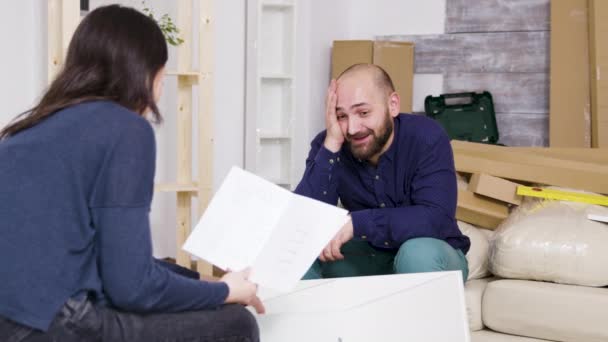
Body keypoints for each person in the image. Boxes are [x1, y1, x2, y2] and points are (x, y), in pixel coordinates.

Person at [0, 5, 262, 342]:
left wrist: (208, 283)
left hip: (14, 319)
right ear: (145, 74)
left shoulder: (26, 131)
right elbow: (131, 286)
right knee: (237, 324)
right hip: (50, 325)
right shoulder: (125, 129)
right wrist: (223, 294)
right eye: (162, 77)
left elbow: (113, 257)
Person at [295, 63, 470, 282]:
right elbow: (301, 222)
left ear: (393, 105)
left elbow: (435, 218)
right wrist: (331, 144)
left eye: (363, 112)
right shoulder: (331, 142)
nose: (352, 128)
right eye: (342, 116)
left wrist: (356, 223)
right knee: (300, 257)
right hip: (370, 254)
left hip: (432, 253)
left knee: (416, 255)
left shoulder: (427, 137)